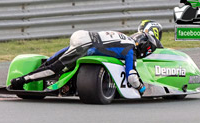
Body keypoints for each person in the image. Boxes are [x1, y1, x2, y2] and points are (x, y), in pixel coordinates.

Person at [10, 29, 162, 94]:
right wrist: (142, 88)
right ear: (145, 47)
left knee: (53, 62)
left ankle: (41, 72)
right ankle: (20, 81)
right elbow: (131, 76)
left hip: (83, 36)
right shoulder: (131, 50)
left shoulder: (124, 37)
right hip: (86, 46)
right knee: (54, 69)